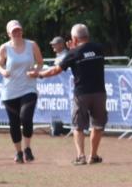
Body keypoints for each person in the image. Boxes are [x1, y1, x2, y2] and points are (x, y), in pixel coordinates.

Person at [38, 24, 108, 165]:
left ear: (75, 38)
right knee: (98, 125)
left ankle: (81, 156)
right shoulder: (99, 48)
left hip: (81, 94)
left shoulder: (73, 53)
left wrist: (39, 74)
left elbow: (55, 70)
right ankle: (93, 155)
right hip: (99, 92)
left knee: (78, 126)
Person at [0, 19, 43, 163]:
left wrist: (36, 71)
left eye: (19, 30)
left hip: (28, 88)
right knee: (14, 123)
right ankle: (18, 152)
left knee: (26, 117)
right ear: (8, 33)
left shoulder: (31, 45)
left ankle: (27, 148)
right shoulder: (4, 48)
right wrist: (3, 72)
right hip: (10, 91)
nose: (17, 33)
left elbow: (40, 62)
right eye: (14, 31)